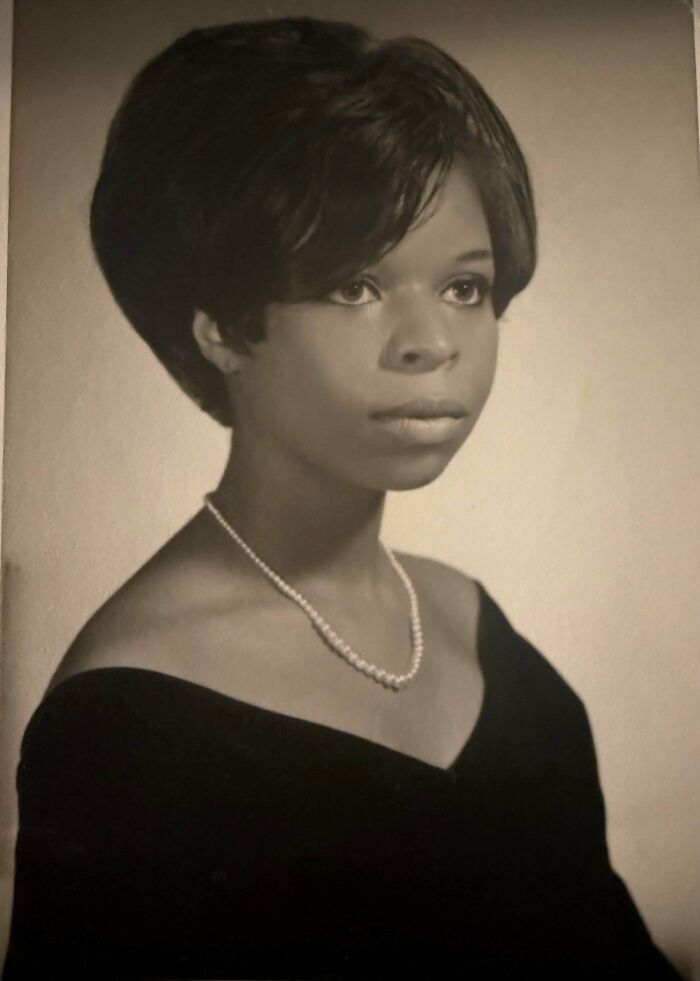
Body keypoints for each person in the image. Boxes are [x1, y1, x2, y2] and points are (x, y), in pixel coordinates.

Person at [3, 17, 683, 981]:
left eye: (463, 286)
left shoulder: (477, 628)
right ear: (221, 329)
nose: (430, 342)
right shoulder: (125, 733)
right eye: (357, 285)